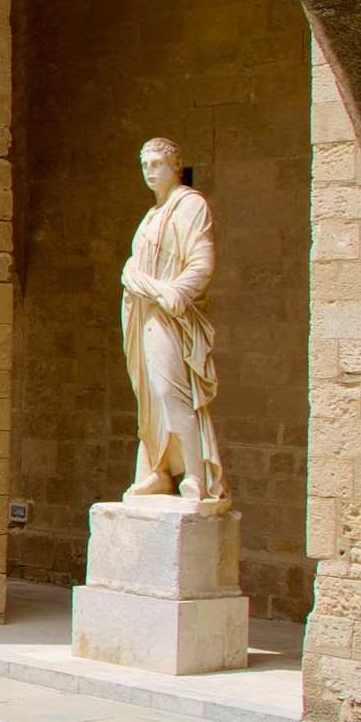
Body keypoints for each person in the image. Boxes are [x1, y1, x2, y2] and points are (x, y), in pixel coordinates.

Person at [120, 137, 228, 504]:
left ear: (174, 166)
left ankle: (196, 475)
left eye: (156, 164)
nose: (149, 171)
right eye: (145, 165)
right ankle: (159, 471)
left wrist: (175, 292)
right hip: (143, 314)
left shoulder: (190, 205)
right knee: (149, 397)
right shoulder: (151, 216)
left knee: (171, 391)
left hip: (170, 315)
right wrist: (139, 281)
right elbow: (132, 270)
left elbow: (202, 264)